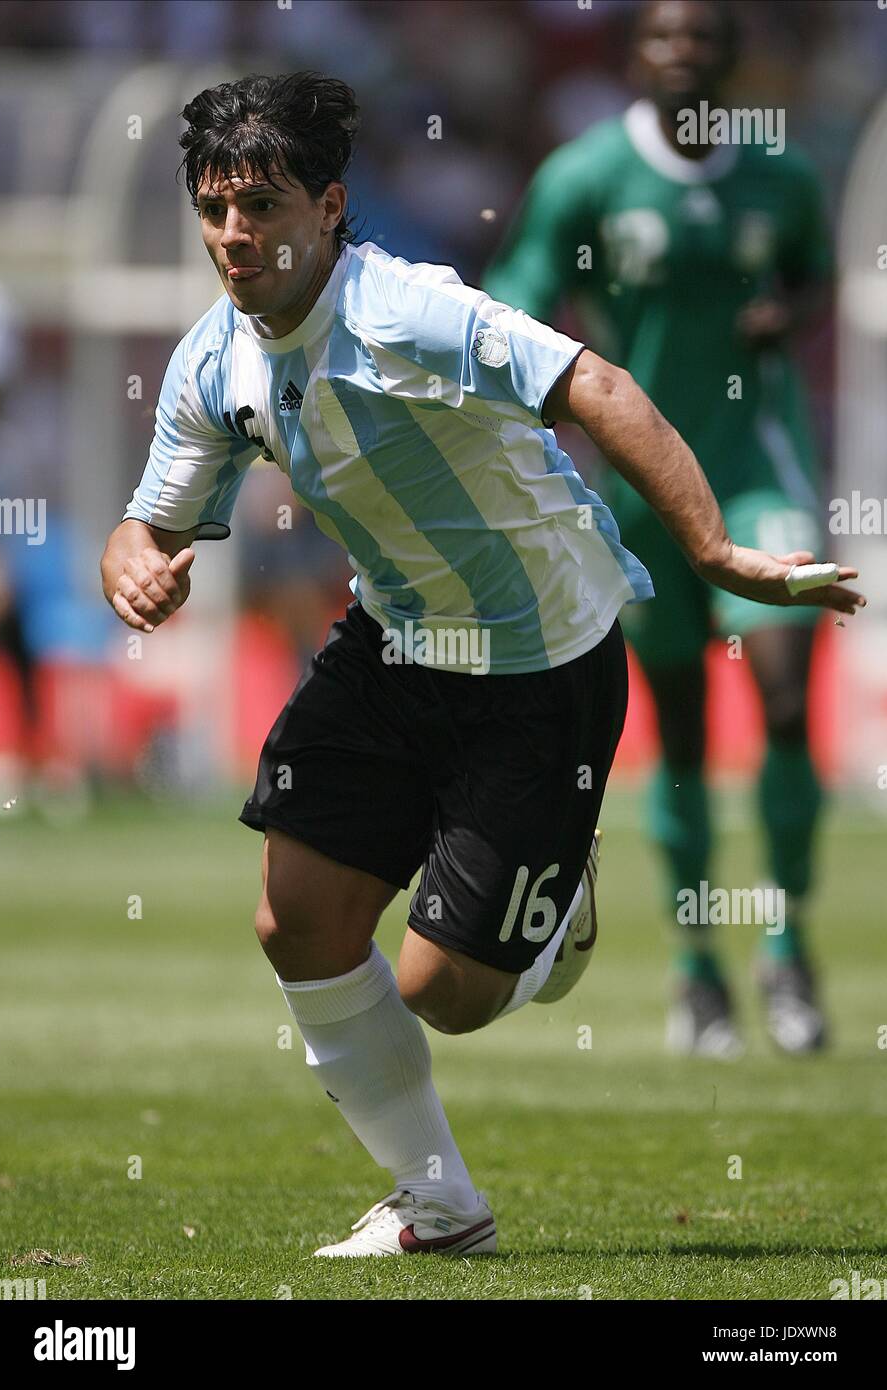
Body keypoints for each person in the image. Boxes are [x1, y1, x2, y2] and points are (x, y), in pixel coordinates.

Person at [100, 72, 863, 1257]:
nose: (235, 234)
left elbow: (594, 383)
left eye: (262, 205)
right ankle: (440, 1204)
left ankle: (554, 921)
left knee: (441, 998)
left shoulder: (409, 308)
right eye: (215, 207)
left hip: (542, 659)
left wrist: (713, 551)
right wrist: (133, 561)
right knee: (294, 915)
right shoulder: (215, 362)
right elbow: (147, 521)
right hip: (397, 640)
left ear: (331, 206)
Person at [483, 0, 837, 1058]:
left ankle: (786, 944)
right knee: (677, 732)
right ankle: (698, 972)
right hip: (641, 493)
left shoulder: (783, 176)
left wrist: (791, 313)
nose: (683, 52)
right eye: (663, 36)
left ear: (731, 58)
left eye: (703, 37)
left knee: (781, 699)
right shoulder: (588, 176)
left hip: (759, 470)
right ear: (635, 55)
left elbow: (815, 273)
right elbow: (520, 296)